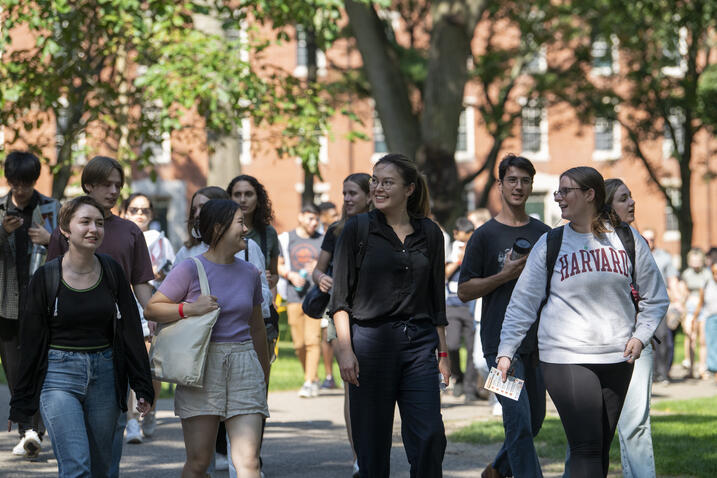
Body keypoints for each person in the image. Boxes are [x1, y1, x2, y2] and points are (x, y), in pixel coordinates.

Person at [497, 166, 669, 478]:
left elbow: (656, 297)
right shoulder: (551, 243)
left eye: (566, 191)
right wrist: (506, 350)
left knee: (599, 447)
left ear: (589, 195)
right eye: (558, 191)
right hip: (565, 357)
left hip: (619, 356)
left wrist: (641, 335)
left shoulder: (627, 240)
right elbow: (522, 303)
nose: (557, 197)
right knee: (586, 447)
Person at [9, 195, 154, 477]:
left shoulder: (112, 271)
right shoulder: (46, 277)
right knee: (76, 467)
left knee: (101, 468)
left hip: (105, 375)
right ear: (65, 229)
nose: (94, 229)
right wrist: (23, 404)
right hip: (58, 376)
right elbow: (30, 342)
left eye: (99, 223)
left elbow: (130, 330)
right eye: (85, 222)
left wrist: (142, 384)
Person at [331, 153, 450, 477]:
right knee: (372, 446)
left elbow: (435, 299)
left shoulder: (430, 233)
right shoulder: (357, 230)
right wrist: (346, 351)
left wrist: (442, 352)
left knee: (429, 436)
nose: (378, 188)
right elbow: (339, 299)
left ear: (409, 189)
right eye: (375, 181)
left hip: (418, 345)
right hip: (369, 345)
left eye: (387, 182)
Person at [46, 155, 155, 476]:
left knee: (107, 451)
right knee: (76, 457)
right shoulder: (63, 233)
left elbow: (141, 285)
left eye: (118, 185)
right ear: (88, 185)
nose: (113, 191)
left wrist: (160, 315)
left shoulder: (129, 232)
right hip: (67, 344)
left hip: (115, 342)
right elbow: (51, 285)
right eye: (106, 184)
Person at [144, 199, 270, 478]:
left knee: (249, 462)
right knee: (199, 462)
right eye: (240, 222)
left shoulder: (250, 272)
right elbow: (152, 308)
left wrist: (263, 374)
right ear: (218, 228)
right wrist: (189, 308)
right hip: (200, 367)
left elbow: (257, 328)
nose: (246, 228)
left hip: (244, 365)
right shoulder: (189, 268)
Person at [458, 154, 550, 478]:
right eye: (512, 179)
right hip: (498, 349)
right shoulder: (484, 236)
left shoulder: (545, 233)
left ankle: (496, 469)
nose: (519, 186)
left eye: (525, 181)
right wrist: (503, 275)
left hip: (538, 344)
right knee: (518, 422)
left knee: (534, 420)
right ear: (499, 184)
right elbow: (464, 290)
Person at [311, 172, 372, 477]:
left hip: (374, 314)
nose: (347, 199)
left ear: (369, 196)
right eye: (344, 193)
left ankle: (373, 449)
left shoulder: (381, 228)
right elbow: (317, 269)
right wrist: (320, 278)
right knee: (352, 384)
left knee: (376, 387)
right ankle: (358, 454)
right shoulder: (336, 230)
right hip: (339, 311)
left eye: (353, 194)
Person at [0, 151, 59, 458]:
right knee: (14, 368)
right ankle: (28, 430)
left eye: (26, 183)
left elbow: (71, 247)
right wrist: (3, 231)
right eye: (15, 183)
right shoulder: (0, 208)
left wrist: (51, 240)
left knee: (41, 367)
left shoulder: (50, 208)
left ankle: (33, 431)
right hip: (5, 303)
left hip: (42, 301)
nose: (20, 189)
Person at [605, 178, 654, 478]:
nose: (632, 202)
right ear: (607, 206)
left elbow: (654, 294)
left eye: (631, 196)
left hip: (637, 340)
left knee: (636, 423)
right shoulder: (584, 241)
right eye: (623, 198)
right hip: (598, 342)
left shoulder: (638, 240)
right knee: (592, 428)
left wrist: (642, 333)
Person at [121, 193, 176, 443]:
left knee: (150, 369)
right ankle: (132, 421)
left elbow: (174, 275)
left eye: (145, 210)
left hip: (152, 307)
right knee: (129, 365)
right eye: (134, 209)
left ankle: (149, 409)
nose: (139, 214)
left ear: (152, 214)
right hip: (124, 308)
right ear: (124, 212)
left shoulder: (161, 242)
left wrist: (157, 275)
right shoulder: (119, 237)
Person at [278, 203, 323, 398]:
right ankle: (311, 377)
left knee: (312, 340)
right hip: (294, 296)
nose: (314, 223)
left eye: (316, 219)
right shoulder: (287, 239)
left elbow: (328, 264)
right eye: (310, 218)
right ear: (300, 217)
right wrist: (290, 275)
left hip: (315, 297)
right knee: (298, 344)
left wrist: (318, 267)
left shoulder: (322, 240)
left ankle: (308, 381)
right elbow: (278, 265)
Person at [445, 217, 479, 401]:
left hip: (471, 306)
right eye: (462, 238)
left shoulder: (477, 248)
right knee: (451, 344)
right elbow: (444, 274)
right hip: (452, 304)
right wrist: (459, 259)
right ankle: (458, 376)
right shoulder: (450, 248)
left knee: (474, 350)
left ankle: (470, 388)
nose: (465, 242)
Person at [227, 175, 280, 289]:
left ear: (258, 198)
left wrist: (269, 280)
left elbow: (275, 273)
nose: (242, 200)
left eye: (248, 194)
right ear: (229, 198)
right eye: (237, 194)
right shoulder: (221, 231)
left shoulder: (269, 233)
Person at [641, 229, 680, 383]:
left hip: (659, 301)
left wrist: (678, 301)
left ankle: (663, 373)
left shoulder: (664, 257)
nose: (649, 241)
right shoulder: (637, 254)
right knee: (645, 339)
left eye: (651, 238)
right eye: (646, 238)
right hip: (641, 302)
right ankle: (651, 373)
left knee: (662, 337)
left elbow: (672, 280)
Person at [176, 186, 232, 264]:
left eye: (203, 207)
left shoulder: (246, 247)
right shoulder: (185, 252)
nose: (197, 214)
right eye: (194, 210)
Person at [680, 248, 712, 378]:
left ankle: (702, 368)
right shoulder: (687, 274)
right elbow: (684, 291)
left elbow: (709, 292)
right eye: (693, 260)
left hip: (704, 308)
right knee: (690, 337)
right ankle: (690, 368)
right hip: (690, 308)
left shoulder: (707, 274)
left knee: (702, 340)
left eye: (698, 260)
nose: (696, 262)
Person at [694, 262, 717, 379]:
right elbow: (700, 303)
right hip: (710, 317)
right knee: (711, 344)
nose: (716, 275)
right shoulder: (707, 284)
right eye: (714, 273)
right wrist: (695, 318)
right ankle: (714, 369)